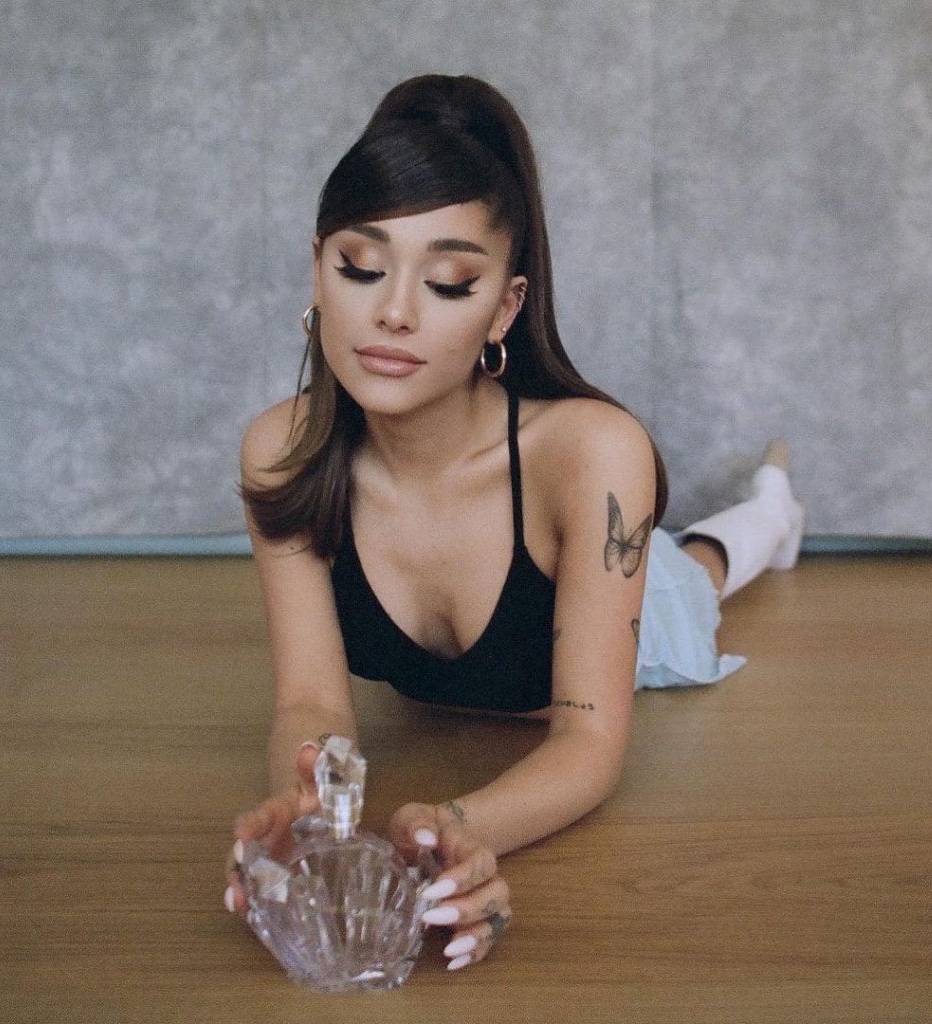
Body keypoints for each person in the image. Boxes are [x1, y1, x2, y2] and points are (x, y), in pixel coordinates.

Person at [222, 74, 804, 972]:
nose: (394, 312)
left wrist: (456, 826)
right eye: (361, 267)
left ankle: (773, 506)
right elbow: (311, 700)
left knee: (698, 575)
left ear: (504, 305)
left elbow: (590, 742)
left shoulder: (594, 453)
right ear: (317, 269)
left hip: (636, 612)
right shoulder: (283, 452)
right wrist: (306, 803)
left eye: (449, 282)